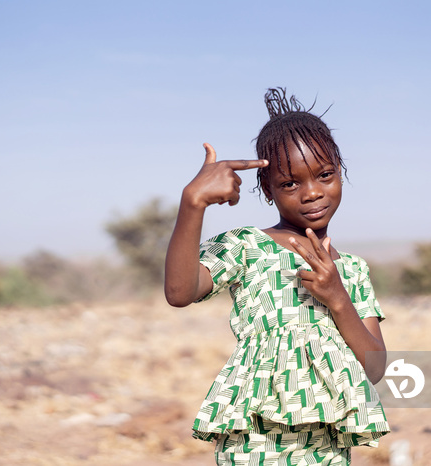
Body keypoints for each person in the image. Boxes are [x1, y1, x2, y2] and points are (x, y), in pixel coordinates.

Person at [164, 88, 390, 465]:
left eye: (325, 174)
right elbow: (179, 291)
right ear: (267, 190)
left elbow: (375, 367)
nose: (312, 192)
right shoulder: (246, 246)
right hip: (254, 444)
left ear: (341, 173)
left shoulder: (350, 269)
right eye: (290, 183)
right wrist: (193, 202)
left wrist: (337, 298)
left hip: (327, 448)